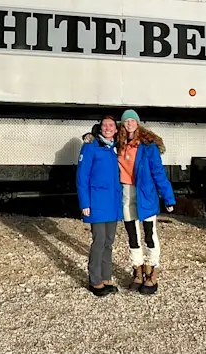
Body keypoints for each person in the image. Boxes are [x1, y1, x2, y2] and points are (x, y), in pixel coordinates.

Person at [116, 109, 176, 295]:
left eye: (133, 120)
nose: (130, 123)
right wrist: (90, 137)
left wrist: (168, 197)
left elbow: (158, 172)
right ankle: (138, 271)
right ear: (123, 124)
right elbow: (101, 135)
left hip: (145, 194)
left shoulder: (148, 146)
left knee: (149, 234)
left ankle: (152, 271)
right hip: (126, 193)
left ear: (138, 123)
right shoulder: (118, 144)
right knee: (132, 235)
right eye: (127, 121)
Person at [76, 116, 123, 296]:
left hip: (112, 203)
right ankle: (94, 281)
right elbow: (82, 177)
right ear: (99, 127)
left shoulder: (114, 148)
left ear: (116, 129)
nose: (107, 128)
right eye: (104, 125)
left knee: (109, 242)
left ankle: (105, 277)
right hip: (96, 202)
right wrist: (85, 202)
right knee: (99, 241)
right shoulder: (90, 147)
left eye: (111, 125)